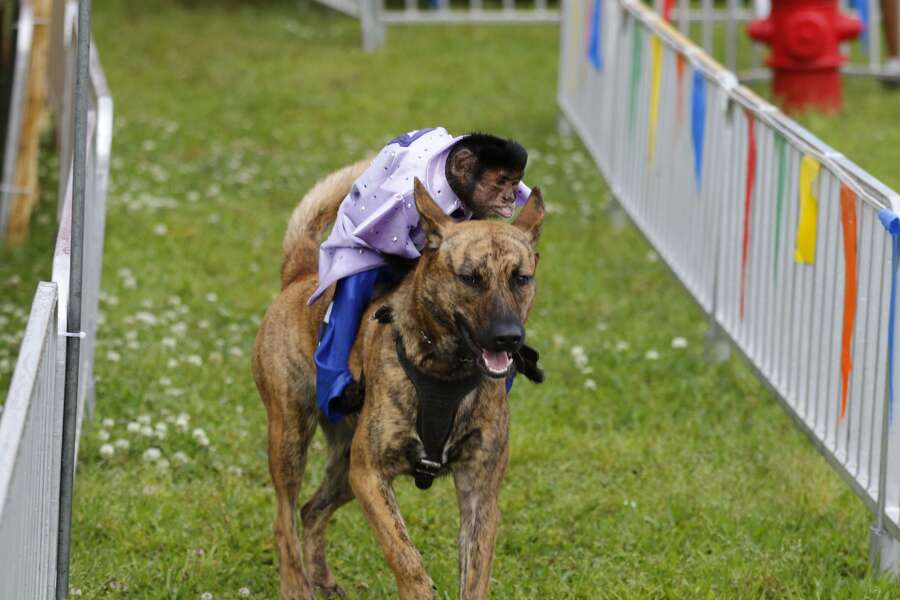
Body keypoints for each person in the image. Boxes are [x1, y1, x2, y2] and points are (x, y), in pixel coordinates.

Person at [309, 127, 536, 422]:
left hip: (434, 231)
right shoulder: (404, 194)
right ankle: (335, 385)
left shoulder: (474, 178)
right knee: (351, 294)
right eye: (501, 184)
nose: (508, 196)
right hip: (370, 236)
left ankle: (493, 391)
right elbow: (384, 239)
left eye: (514, 185)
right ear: (464, 167)